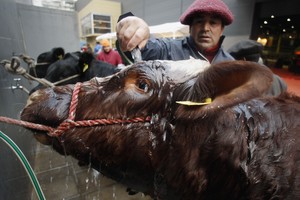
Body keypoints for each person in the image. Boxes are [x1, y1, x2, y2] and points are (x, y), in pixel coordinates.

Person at [116, 0, 287, 95]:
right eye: (199, 21)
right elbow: (140, 48)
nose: (206, 28)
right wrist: (130, 23)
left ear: (222, 29)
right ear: (190, 27)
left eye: (213, 23)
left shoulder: (230, 64)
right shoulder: (167, 50)